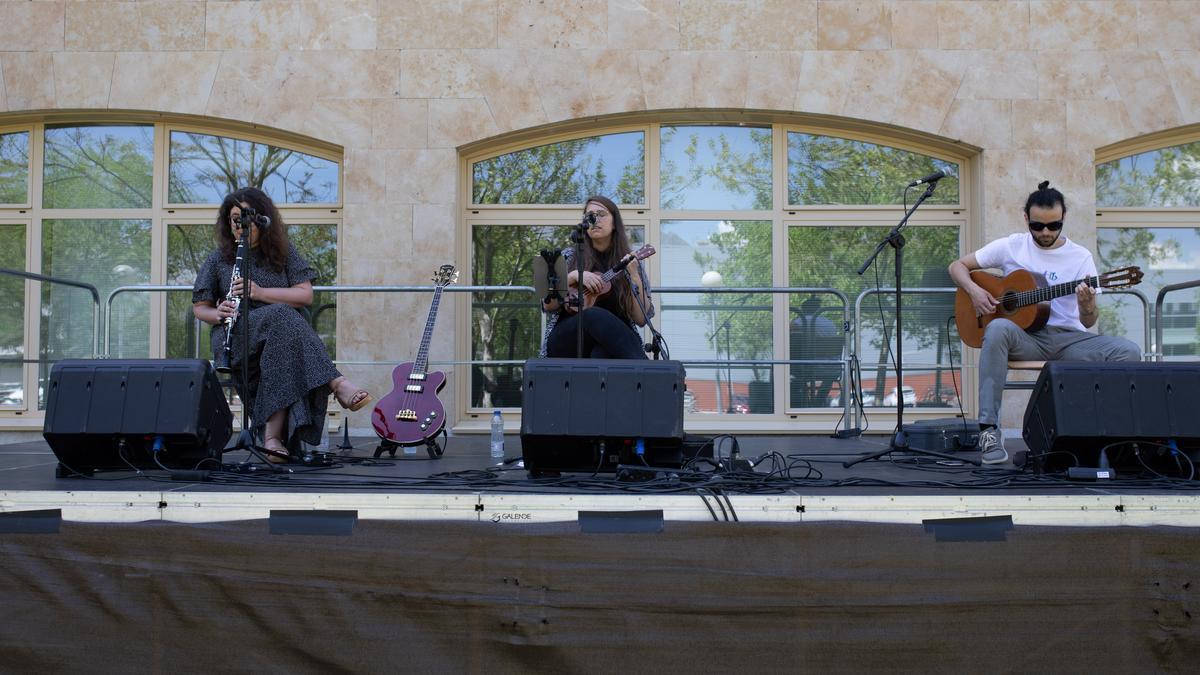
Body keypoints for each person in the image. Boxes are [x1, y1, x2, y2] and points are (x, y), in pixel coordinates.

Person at [948, 180, 1141, 465]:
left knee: (1130, 351)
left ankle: (1114, 437)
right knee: (998, 326)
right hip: (1025, 338)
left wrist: (1087, 306)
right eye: (1038, 226)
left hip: (1069, 341)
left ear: (1063, 220)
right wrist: (976, 292)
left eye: (1054, 226)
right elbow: (957, 267)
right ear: (1026, 218)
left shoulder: (1080, 257)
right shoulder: (1011, 246)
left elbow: (1088, 322)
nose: (1046, 232)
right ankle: (988, 429)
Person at [192, 187, 371, 463]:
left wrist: (259, 293)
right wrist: (218, 313)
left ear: (262, 219)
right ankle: (337, 382)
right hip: (236, 334)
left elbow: (305, 294)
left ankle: (272, 440)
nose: (240, 226)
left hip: (280, 336)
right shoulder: (219, 258)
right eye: (234, 219)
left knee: (282, 332)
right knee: (284, 317)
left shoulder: (284, 253)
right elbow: (199, 308)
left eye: (246, 218)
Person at [539, 195, 652, 359]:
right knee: (593, 314)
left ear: (615, 224)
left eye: (601, 214)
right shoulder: (567, 257)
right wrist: (572, 277)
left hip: (613, 345)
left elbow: (641, 319)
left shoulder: (630, 262)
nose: (595, 220)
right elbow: (547, 305)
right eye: (590, 216)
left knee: (601, 353)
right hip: (568, 339)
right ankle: (647, 373)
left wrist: (634, 275)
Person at [789, 295, 843, 407]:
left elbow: (787, 337)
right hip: (833, 368)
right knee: (828, 376)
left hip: (808, 367)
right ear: (818, 310)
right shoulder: (830, 323)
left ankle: (804, 402)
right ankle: (818, 402)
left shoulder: (799, 322)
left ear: (803, 310)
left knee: (791, 370)